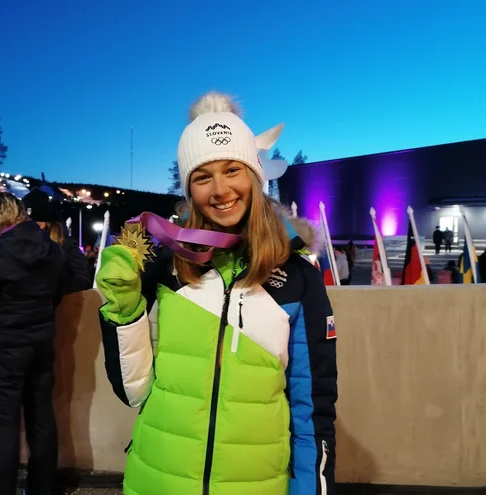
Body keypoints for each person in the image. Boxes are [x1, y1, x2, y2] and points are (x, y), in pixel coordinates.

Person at [95, 92, 337, 495]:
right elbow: (134, 391)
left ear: (255, 178)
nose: (221, 189)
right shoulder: (164, 266)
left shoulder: (297, 278)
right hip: (158, 479)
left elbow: (312, 409)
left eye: (232, 170)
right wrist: (123, 309)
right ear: (190, 189)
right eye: (203, 176)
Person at [0, 193, 64, 495]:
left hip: (4, 348)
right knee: (42, 418)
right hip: (41, 343)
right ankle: (43, 487)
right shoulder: (52, 249)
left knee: (3, 425)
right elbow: (57, 293)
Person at [22, 188, 91, 297]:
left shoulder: (65, 246)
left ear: (48, 224)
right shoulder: (18, 245)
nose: (31, 228)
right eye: (26, 223)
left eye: (36, 224)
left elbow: (82, 281)